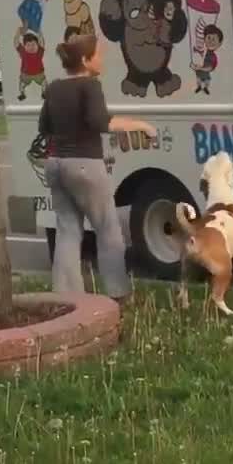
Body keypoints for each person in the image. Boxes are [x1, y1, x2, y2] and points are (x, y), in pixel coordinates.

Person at [37, 33, 157, 303]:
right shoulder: (90, 86)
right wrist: (142, 126)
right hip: (84, 164)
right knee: (107, 229)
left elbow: (44, 127)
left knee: (67, 230)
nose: (101, 59)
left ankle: (67, 299)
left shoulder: (54, 88)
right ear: (85, 59)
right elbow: (100, 121)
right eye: (98, 55)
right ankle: (118, 293)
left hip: (55, 164)